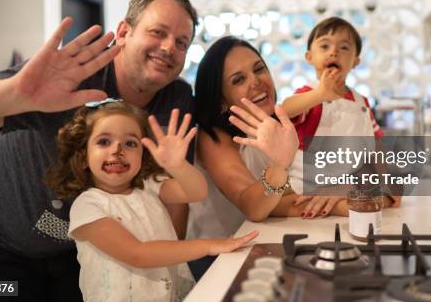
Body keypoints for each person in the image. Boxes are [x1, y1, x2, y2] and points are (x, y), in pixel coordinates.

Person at [0, 0, 198, 301]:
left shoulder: (177, 101)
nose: (169, 47)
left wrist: (168, 274)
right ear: (123, 33)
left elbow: (174, 197)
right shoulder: (74, 75)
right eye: (157, 32)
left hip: (73, 244)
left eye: (182, 42)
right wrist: (16, 93)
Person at [46, 101, 257, 302]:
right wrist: (209, 245)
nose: (117, 149)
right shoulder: (87, 206)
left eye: (130, 143)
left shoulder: (149, 186)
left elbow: (196, 192)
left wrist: (177, 166)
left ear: (143, 155)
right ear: (83, 158)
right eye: (104, 141)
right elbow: (138, 254)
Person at [187, 36, 349, 253]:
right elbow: (253, 206)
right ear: (221, 101)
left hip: (260, 244)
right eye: (238, 80)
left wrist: (343, 190)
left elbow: (292, 197)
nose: (256, 81)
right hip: (214, 257)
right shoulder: (212, 137)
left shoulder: (274, 125)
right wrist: (280, 166)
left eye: (259, 69)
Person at [282, 16, 401, 205]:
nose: (334, 52)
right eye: (324, 46)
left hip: (347, 187)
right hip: (306, 187)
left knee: (385, 199)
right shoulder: (308, 95)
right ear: (309, 57)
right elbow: (284, 111)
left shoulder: (362, 102)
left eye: (344, 47)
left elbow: (375, 144)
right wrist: (320, 94)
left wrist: (384, 178)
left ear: (355, 61)